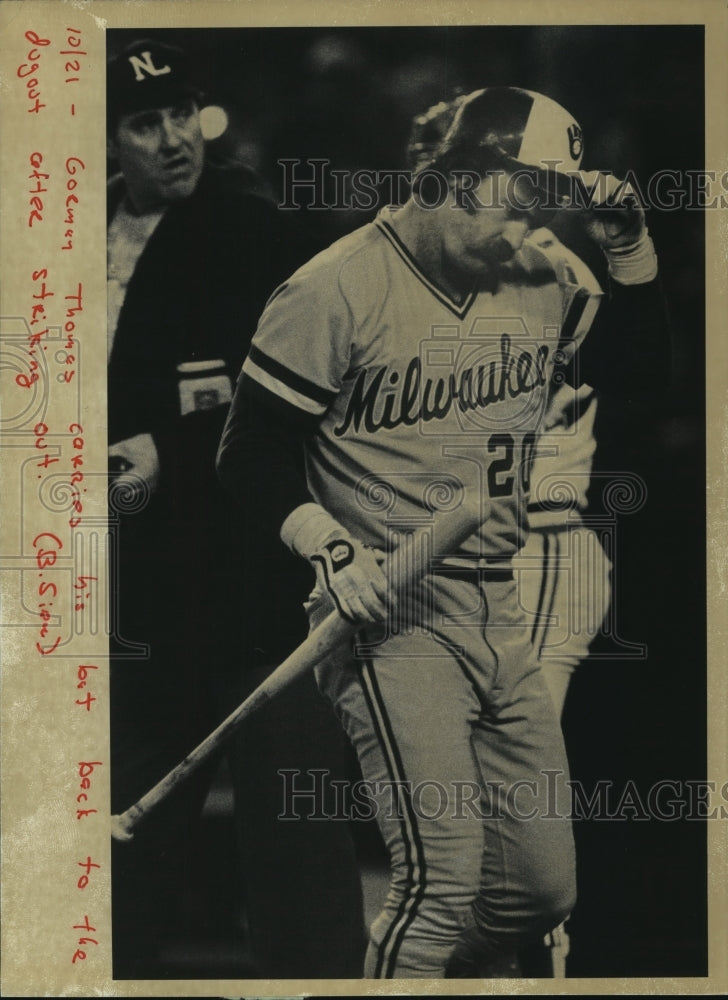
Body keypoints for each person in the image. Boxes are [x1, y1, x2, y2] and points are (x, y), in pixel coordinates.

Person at [217, 86, 670, 978]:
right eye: (524, 198)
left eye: (548, 206)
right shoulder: (334, 283)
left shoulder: (541, 275)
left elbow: (642, 376)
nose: (532, 227)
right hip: (387, 610)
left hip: (497, 603)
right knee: (438, 880)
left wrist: (630, 247)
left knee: (536, 893)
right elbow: (249, 451)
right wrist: (327, 544)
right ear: (458, 175)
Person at [106, 38, 365, 978]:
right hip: (141, 607)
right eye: (145, 122)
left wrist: (165, 450)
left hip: (260, 589)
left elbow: (303, 404)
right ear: (106, 139)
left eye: (185, 114)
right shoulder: (74, 231)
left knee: (298, 857)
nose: (174, 139)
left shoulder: (253, 221)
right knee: (116, 853)